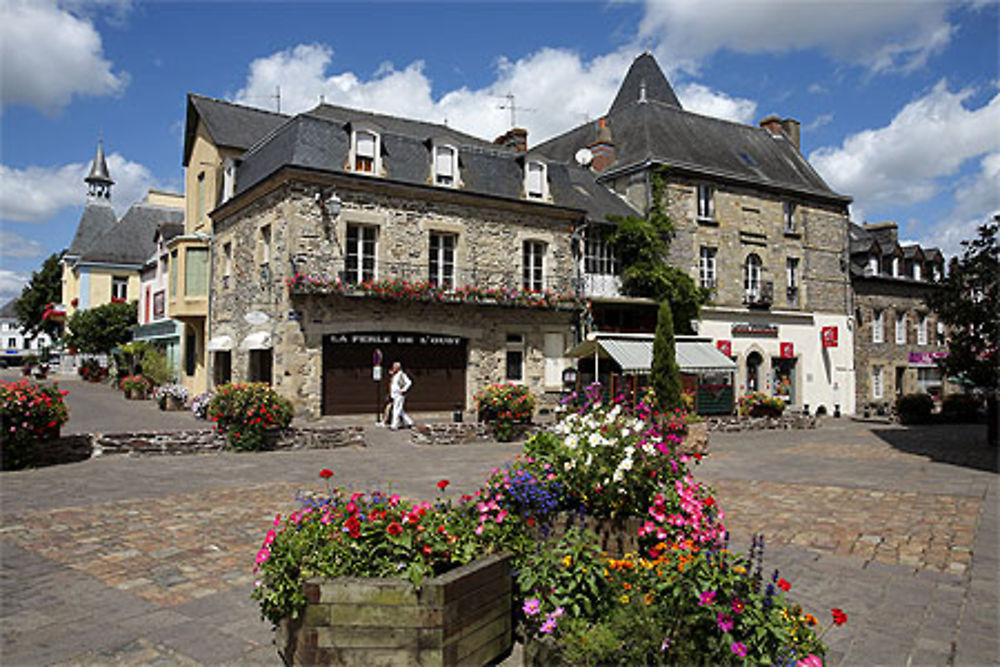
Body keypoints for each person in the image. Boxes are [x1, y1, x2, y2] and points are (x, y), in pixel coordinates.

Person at [389, 361, 414, 429]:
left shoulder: (401, 375)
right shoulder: (395, 375)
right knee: (400, 410)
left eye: (395, 367)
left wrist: (403, 390)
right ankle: (410, 422)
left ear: (398, 368)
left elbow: (409, 382)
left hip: (399, 394)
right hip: (395, 395)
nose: (393, 368)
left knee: (396, 409)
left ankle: (394, 425)